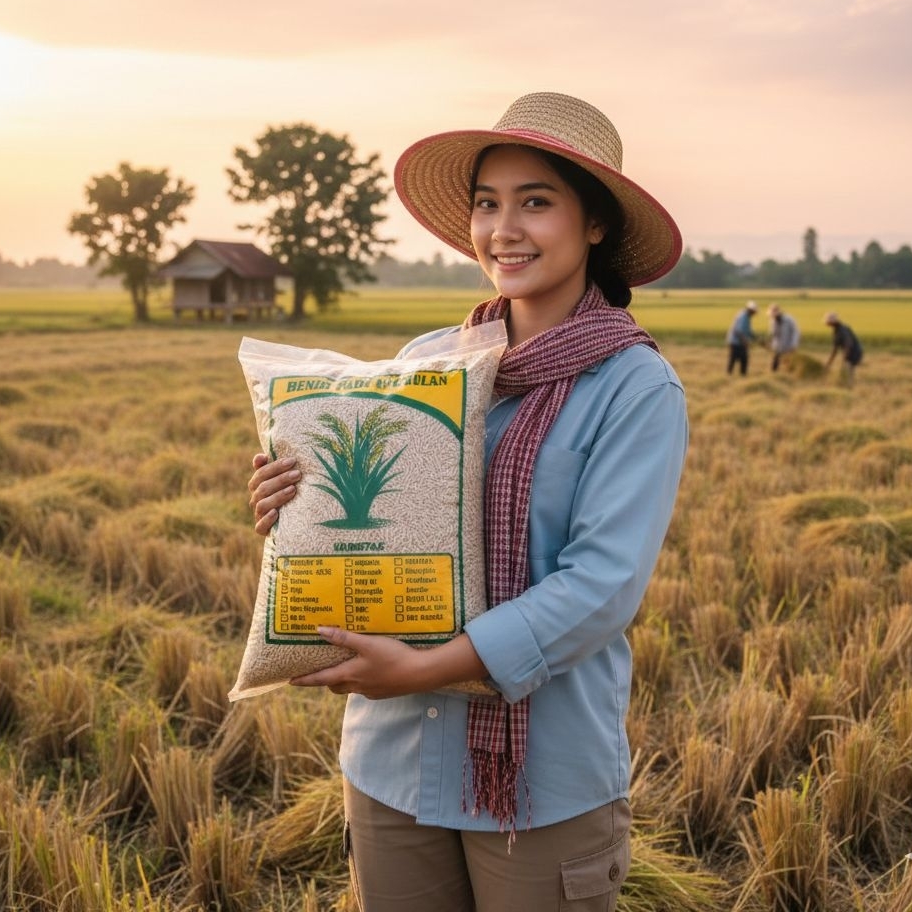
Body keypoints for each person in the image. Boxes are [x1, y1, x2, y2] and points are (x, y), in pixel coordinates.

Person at [247, 92, 689, 911]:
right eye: (487, 203)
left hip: (540, 783)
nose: (503, 228)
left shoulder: (634, 388)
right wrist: (292, 504)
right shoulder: (427, 364)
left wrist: (425, 668)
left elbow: (600, 590)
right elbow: (370, 525)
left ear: (595, 223)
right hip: (390, 758)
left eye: (536, 202)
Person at [824, 311, 863, 385]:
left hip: (854, 352)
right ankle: (848, 383)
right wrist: (829, 363)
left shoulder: (842, 330)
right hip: (850, 352)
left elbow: (849, 343)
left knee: (848, 369)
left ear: (832, 322)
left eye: (828, 322)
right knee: (846, 369)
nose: (827, 324)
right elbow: (835, 349)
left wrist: (844, 357)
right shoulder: (836, 331)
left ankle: (850, 385)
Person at [725, 300, 758, 375]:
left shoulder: (747, 317)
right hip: (735, 342)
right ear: (750, 310)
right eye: (753, 312)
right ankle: (731, 375)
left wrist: (756, 338)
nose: (754, 314)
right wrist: (745, 341)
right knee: (735, 359)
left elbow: (748, 331)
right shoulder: (743, 317)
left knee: (742, 359)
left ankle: (741, 375)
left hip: (739, 342)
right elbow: (738, 331)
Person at [767, 303, 800, 372]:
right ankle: (773, 374)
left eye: (775, 316)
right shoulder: (773, 321)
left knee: (789, 361)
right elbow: (773, 334)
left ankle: (789, 374)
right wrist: (770, 342)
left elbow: (796, 332)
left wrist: (794, 344)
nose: (774, 317)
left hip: (788, 344)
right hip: (778, 345)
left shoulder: (789, 319)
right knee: (775, 360)